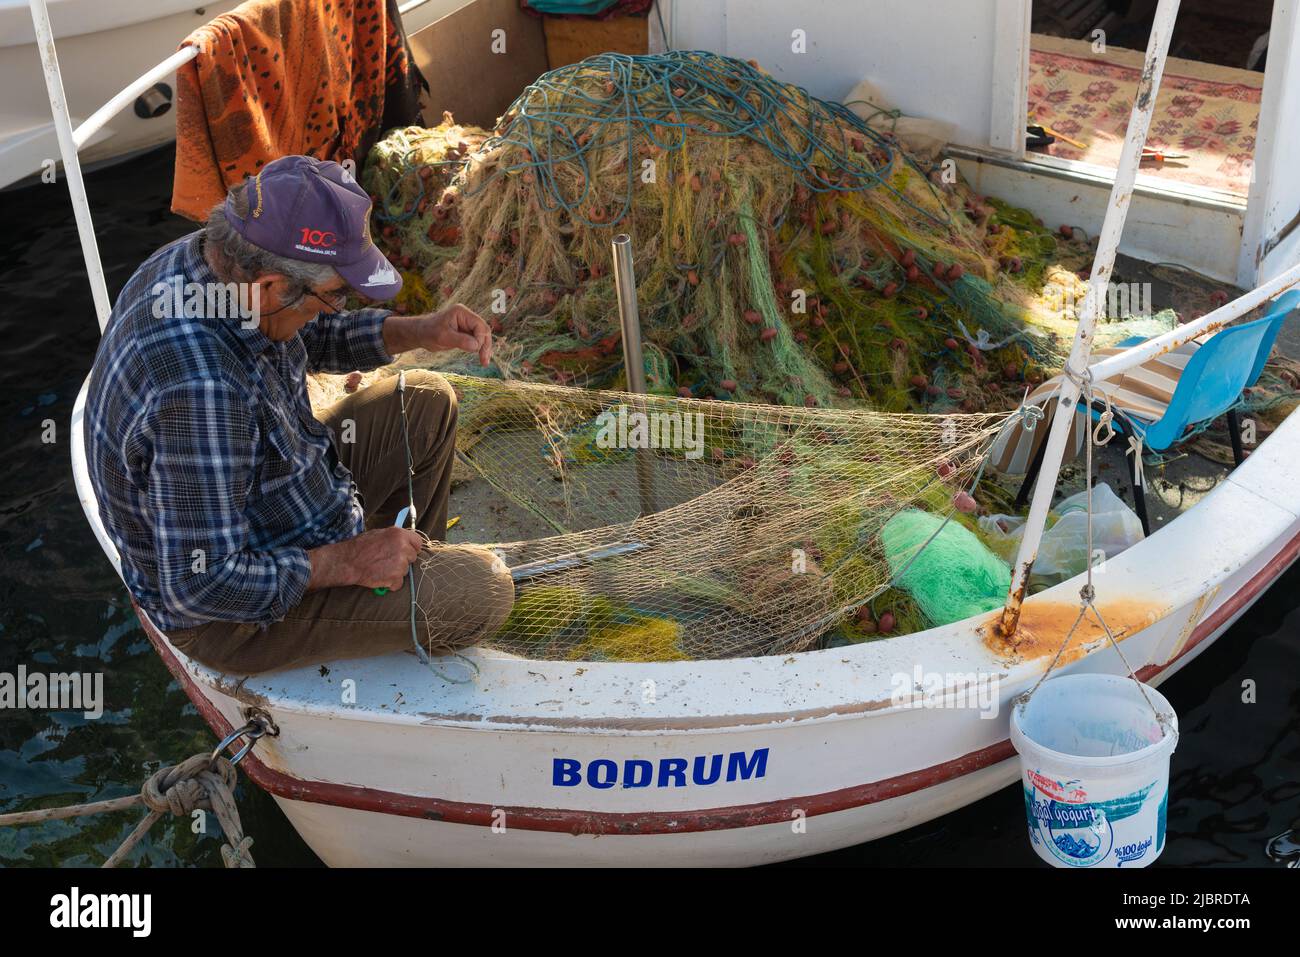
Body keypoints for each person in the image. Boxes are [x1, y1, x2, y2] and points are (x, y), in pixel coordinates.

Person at [84, 155, 514, 674]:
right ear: (268, 286)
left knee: (425, 400)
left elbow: (313, 331)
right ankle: (398, 604)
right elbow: (199, 586)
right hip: (230, 615)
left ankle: (398, 580)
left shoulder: (214, 263)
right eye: (333, 295)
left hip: (270, 495)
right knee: (484, 592)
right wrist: (350, 562)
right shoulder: (200, 391)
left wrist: (420, 331)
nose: (337, 307)